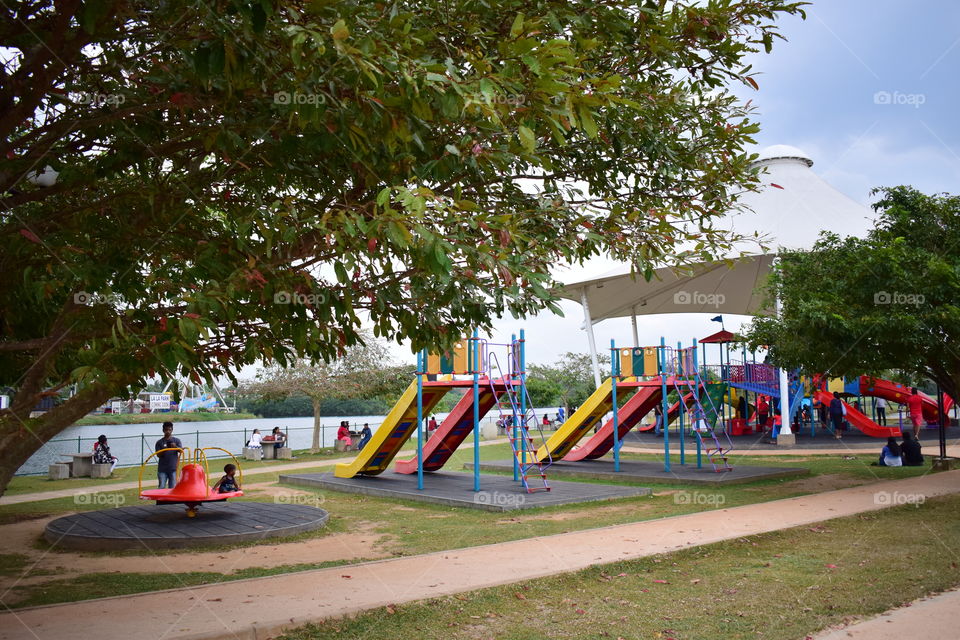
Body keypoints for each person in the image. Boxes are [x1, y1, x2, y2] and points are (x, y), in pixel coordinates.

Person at [155, 422, 182, 488]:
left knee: (173, 488)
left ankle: (171, 499)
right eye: (166, 430)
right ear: (163, 430)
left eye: (169, 430)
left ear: (172, 430)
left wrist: (175, 447)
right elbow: (158, 455)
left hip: (173, 469)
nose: (168, 431)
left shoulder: (177, 440)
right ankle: (159, 498)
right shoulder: (159, 442)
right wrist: (165, 449)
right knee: (161, 487)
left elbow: (181, 451)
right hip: (162, 470)